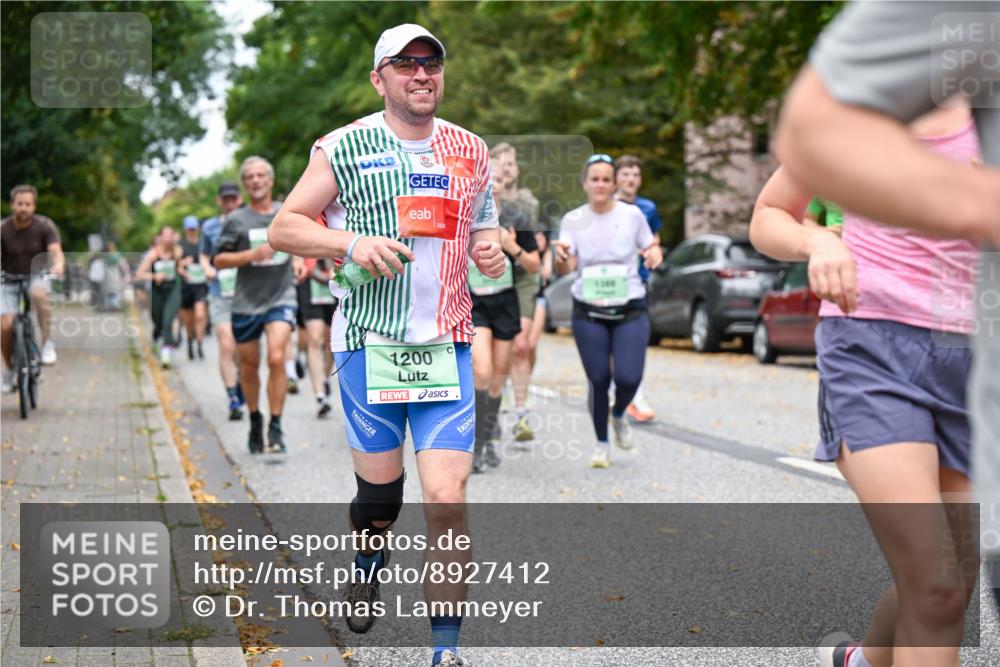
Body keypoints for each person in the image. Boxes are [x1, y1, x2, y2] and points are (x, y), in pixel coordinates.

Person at [269, 23, 504, 667]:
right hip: (367, 346)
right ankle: (369, 553)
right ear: (380, 79)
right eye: (406, 65)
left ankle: (445, 651)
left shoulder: (470, 149)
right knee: (380, 501)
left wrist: (489, 247)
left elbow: (486, 226)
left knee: (449, 501)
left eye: (432, 64)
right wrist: (350, 243)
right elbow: (284, 227)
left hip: (446, 344)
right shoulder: (342, 147)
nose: (422, 75)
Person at [772, 3, 1000, 663]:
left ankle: (862, 659)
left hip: (969, 357)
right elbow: (770, 213)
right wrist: (817, 238)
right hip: (873, 347)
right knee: (936, 580)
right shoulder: (864, 110)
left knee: (947, 584)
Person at [553, 154, 663, 468]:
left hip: (630, 306)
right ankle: (601, 443)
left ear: (614, 183)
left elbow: (650, 246)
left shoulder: (632, 216)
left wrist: (654, 253)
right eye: (595, 179)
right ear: (585, 183)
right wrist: (561, 257)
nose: (600, 185)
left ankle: (619, 415)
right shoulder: (574, 219)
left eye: (606, 179)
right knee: (599, 379)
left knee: (629, 378)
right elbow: (565, 266)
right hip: (588, 310)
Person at [214, 157, 304, 454]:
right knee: (249, 366)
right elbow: (220, 259)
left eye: (260, 175)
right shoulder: (237, 220)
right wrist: (251, 256)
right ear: (244, 183)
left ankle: (276, 424)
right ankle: (255, 418)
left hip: (281, 296)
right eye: (249, 176)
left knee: (277, 357)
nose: (255, 180)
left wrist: (301, 261)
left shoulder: (286, 213)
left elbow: (301, 243)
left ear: (270, 180)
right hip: (246, 302)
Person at [469, 170, 540, 472]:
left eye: (497, 180)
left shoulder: (516, 218)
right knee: (481, 370)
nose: (492, 185)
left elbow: (535, 265)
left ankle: (486, 441)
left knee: (498, 377)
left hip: (505, 303)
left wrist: (513, 248)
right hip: (475, 303)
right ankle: (474, 444)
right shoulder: (465, 217)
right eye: (487, 179)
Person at [491, 143, 542, 442]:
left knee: (521, 345)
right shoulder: (477, 197)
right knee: (496, 350)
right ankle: (494, 402)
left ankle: (520, 411)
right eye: (501, 164)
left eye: (512, 164)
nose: (508, 168)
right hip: (486, 281)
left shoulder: (525, 203)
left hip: (520, 275)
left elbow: (535, 241)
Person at [1, 184, 65, 391]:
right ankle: (10, 370)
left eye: (28, 204)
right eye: (19, 204)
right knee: (5, 326)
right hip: (8, 279)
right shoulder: (3, 229)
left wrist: (58, 266)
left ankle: (46, 344)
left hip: (36, 276)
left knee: (39, 293)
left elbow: (55, 252)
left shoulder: (45, 226)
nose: (23, 208)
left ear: (34, 206)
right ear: (12, 205)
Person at [613, 155, 662, 422]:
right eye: (626, 174)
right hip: (607, 283)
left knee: (634, 340)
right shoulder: (604, 206)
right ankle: (616, 390)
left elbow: (655, 238)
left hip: (638, 282)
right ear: (616, 178)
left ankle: (635, 394)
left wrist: (653, 250)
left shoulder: (648, 208)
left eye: (635, 175)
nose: (631, 179)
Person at [200, 181, 245, 420]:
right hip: (219, 292)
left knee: (242, 349)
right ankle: (232, 398)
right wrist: (207, 267)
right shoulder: (209, 227)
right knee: (226, 342)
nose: (229, 203)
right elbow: (204, 255)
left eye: (233, 198)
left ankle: (239, 381)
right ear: (219, 201)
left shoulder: (248, 221)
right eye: (225, 199)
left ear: (239, 199)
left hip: (246, 293)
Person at [295, 254, 337, 417]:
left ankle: (324, 377)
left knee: (331, 342)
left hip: (336, 280)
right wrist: (297, 260)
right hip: (309, 282)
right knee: (315, 338)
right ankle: (320, 394)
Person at [135, 225, 184, 368]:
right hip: (157, 291)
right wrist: (154, 275)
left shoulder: (178, 252)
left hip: (173, 290)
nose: (168, 238)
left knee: (168, 321)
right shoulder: (153, 254)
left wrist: (183, 270)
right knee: (158, 320)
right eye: (166, 235)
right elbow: (139, 274)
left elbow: (180, 267)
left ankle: (166, 352)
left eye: (171, 234)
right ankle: (157, 338)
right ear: (160, 237)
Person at [178, 215, 208, 360]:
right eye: (189, 229)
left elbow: (209, 260)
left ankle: (200, 344)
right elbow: (176, 266)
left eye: (194, 229)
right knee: (189, 320)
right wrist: (183, 264)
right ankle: (190, 341)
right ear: (185, 229)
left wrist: (206, 268)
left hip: (200, 284)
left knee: (200, 315)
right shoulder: (180, 246)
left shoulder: (202, 244)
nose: (192, 231)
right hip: (186, 286)